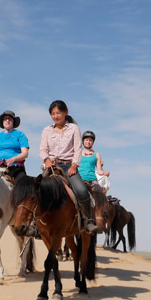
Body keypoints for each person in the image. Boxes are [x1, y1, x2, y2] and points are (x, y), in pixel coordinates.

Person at [38, 100, 98, 233]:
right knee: (38, 191)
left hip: (68, 165)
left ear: (65, 112)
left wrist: (74, 165)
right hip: (51, 165)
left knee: (82, 190)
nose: (55, 116)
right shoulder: (47, 130)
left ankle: (87, 221)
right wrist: (46, 159)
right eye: (53, 114)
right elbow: (43, 149)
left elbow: (77, 148)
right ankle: (35, 224)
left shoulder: (74, 128)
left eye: (58, 113)